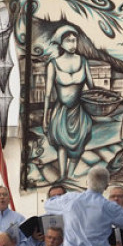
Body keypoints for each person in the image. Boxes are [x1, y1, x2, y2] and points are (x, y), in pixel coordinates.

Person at [43, 26, 95, 181]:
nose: (73, 44)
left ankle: (70, 174)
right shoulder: (53, 64)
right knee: (61, 145)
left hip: (79, 111)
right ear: (61, 43)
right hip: (61, 111)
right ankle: (62, 176)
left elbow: (92, 88)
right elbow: (47, 93)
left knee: (79, 145)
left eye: (75, 40)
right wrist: (45, 116)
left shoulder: (83, 61)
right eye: (68, 41)